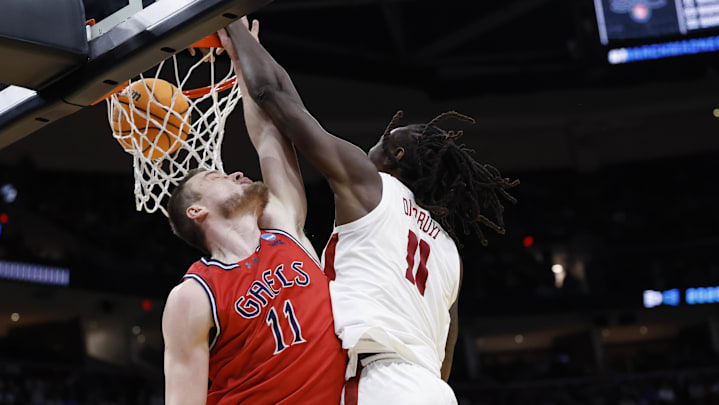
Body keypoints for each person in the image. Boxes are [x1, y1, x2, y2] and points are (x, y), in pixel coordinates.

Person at [219, 18, 518, 405]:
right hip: (433, 389)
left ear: (395, 154)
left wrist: (234, 24)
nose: (372, 146)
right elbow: (445, 355)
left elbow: (272, 94)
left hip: (379, 380)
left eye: (382, 140)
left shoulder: (372, 186)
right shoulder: (448, 252)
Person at [161, 19, 345, 405]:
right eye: (217, 175)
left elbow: (268, 139)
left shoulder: (284, 229)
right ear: (196, 210)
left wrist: (243, 55)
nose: (236, 174)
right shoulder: (193, 296)